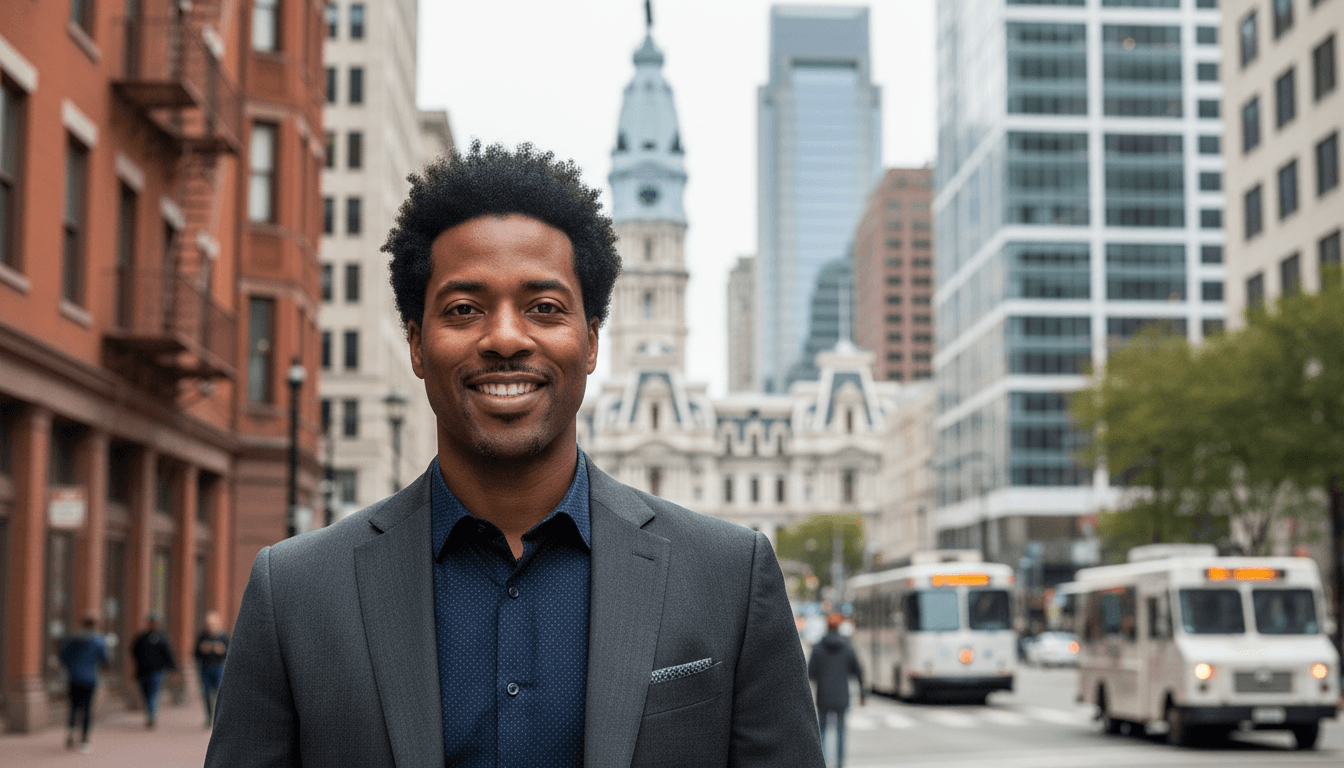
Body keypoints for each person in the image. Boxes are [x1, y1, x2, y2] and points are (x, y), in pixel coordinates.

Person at [206, 143, 824, 767]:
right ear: (417, 345)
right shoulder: (294, 594)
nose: (505, 337)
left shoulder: (730, 579)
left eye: (545, 308)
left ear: (590, 343)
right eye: (464, 309)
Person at [808, 613, 865, 768]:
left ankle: (824, 763)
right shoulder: (847, 646)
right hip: (841, 696)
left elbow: (810, 672)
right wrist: (862, 694)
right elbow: (858, 670)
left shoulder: (818, 647)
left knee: (823, 731)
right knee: (840, 732)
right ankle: (840, 764)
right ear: (839, 626)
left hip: (823, 696)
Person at [59, 613, 108, 753]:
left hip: (73, 677)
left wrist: (71, 668)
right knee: (87, 708)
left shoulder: (72, 639)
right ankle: (84, 739)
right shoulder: (98, 640)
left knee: (74, 706)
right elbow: (105, 659)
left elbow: (63, 656)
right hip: (90, 679)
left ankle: (70, 731)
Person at [131, 614, 177, 728]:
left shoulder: (162, 638)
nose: (153, 625)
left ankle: (151, 715)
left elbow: (168, 654)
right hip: (142, 671)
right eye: (151, 622)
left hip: (157, 671)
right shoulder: (141, 638)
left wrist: (173, 670)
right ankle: (150, 713)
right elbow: (134, 653)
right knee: (145, 694)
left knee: (153, 693)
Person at [194, 611, 229, 727]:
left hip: (219, 667)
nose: (210, 627)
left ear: (218, 624)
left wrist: (222, 650)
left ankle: (219, 718)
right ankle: (209, 717)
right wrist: (202, 649)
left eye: (212, 624)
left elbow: (231, 654)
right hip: (205, 668)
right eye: (208, 624)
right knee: (206, 693)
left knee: (219, 694)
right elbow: (195, 653)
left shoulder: (224, 637)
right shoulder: (202, 636)